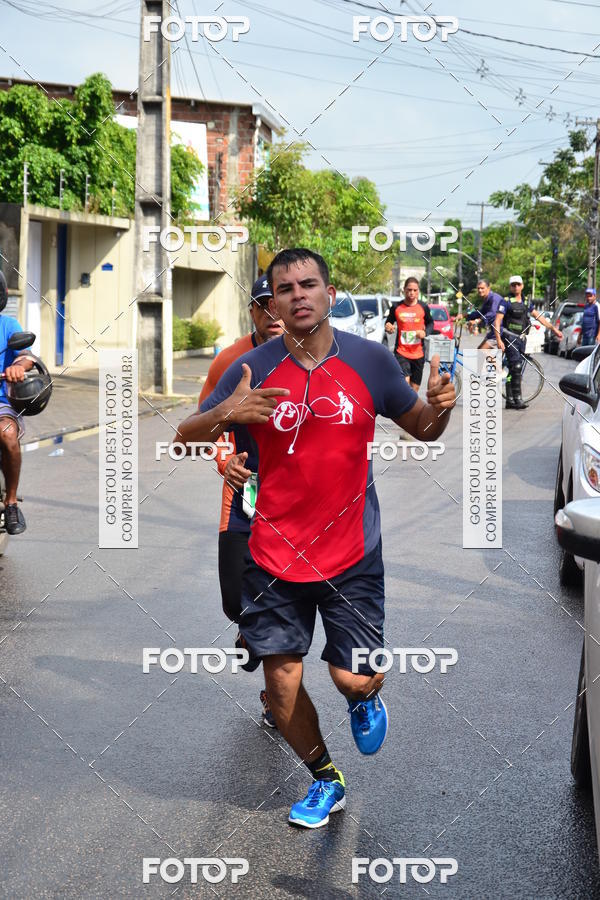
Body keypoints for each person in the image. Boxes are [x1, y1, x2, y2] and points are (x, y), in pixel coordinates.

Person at [177, 248, 456, 829]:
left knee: (352, 675)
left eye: (308, 284)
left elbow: (424, 430)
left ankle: (363, 696)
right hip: (271, 551)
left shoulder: (371, 361)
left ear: (329, 295)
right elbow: (185, 438)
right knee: (280, 684)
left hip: (352, 552)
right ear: (272, 305)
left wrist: (441, 407)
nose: (298, 295)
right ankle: (326, 779)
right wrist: (229, 413)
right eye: (285, 288)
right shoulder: (248, 368)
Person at [199, 275, 284, 727]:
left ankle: (276, 696)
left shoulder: (309, 358)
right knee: (236, 599)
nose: (273, 314)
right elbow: (204, 424)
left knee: (279, 605)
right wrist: (224, 460)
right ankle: (248, 628)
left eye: (279, 302)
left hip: (293, 502)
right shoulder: (229, 360)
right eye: (262, 305)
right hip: (242, 493)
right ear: (252, 311)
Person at [0, 270, 35, 534]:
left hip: (2, 403)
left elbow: (26, 356)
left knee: (7, 434)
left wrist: (18, 367)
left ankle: (11, 502)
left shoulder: (8, 325)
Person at [494, 275, 561, 410]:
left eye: (518, 284)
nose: (516, 287)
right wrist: (499, 339)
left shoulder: (526, 302)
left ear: (522, 286)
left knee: (513, 369)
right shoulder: (505, 301)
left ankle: (510, 400)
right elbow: (497, 321)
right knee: (517, 366)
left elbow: (539, 317)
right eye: (513, 285)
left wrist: (553, 329)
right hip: (510, 337)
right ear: (510, 287)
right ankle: (518, 400)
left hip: (521, 339)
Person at [384, 277, 434, 391]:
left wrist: (425, 332)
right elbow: (388, 322)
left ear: (418, 291)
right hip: (401, 352)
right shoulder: (396, 307)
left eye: (415, 290)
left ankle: (409, 403)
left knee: (414, 389)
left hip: (418, 353)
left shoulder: (423, 307)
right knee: (405, 384)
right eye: (409, 290)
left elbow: (431, 323)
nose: (412, 292)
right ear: (404, 290)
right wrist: (388, 327)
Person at [462, 279, 504, 348]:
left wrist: (477, 321)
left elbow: (492, 313)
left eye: (482, 288)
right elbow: (481, 313)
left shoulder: (494, 298)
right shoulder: (486, 299)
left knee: (482, 351)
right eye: (478, 288)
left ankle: (496, 356)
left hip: (499, 331)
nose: (480, 290)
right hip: (492, 331)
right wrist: (464, 315)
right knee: (479, 350)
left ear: (488, 288)